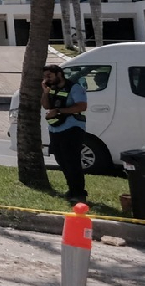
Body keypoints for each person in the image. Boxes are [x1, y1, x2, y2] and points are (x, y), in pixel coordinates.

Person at [42, 64, 89, 204]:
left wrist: (59, 111)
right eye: (44, 77)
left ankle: (79, 193)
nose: (46, 79)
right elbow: (45, 106)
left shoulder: (74, 88)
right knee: (60, 159)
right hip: (55, 129)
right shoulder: (51, 88)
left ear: (59, 74)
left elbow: (82, 106)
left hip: (72, 128)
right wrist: (45, 92)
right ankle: (71, 189)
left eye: (49, 76)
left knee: (72, 161)